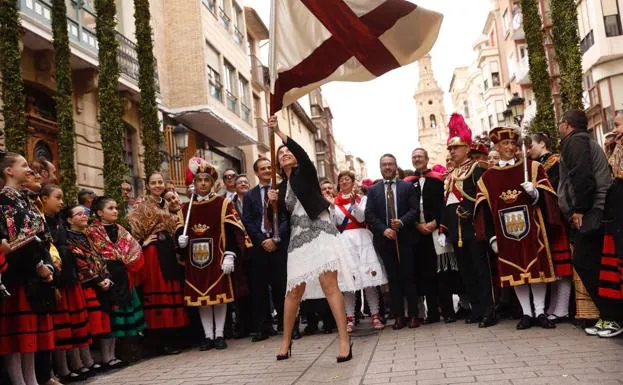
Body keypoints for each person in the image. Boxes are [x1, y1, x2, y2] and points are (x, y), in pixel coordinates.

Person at [270, 116, 355, 363]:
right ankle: (286, 342)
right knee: (292, 292)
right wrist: (271, 203)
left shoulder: (305, 172)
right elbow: (277, 220)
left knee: (330, 286)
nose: (285, 154)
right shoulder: (280, 186)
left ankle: (344, 341)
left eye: (288, 151)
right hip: (297, 241)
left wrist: (279, 133)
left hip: (320, 233)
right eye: (281, 153)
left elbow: (303, 153)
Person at [475, 127, 567, 330]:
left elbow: (549, 199)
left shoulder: (533, 168)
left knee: (537, 270)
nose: (509, 147)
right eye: (504, 144)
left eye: (512, 144)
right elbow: (484, 211)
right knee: (515, 273)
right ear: (497, 147)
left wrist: (535, 194)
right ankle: (526, 313)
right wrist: (491, 238)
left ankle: (540, 311)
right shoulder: (487, 178)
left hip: (533, 228)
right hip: (505, 234)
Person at [558, 109, 621, 337]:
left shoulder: (576, 141)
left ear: (567, 125)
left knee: (586, 261)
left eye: (560, 123)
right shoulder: (580, 141)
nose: (559, 127)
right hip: (594, 208)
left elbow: (582, 177)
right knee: (591, 262)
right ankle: (609, 315)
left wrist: (579, 209)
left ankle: (613, 316)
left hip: (593, 209)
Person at [177, 157, 246, 351]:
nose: (203, 183)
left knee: (219, 297)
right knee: (203, 301)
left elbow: (233, 231)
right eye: (199, 180)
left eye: (206, 180)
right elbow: (179, 232)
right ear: (194, 183)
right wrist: (180, 241)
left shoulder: (223, 204)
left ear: (213, 183)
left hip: (217, 256)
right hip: (195, 260)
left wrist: (230, 254)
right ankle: (208, 336)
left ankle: (220, 335)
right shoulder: (185, 208)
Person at [0, 153, 56, 385]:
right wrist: (37, 263)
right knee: (16, 334)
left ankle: (32, 379)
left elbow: (39, 236)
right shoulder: (5, 200)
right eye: (23, 165)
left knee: (29, 335)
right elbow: (12, 238)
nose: (28, 169)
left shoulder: (24, 198)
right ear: (8, 171)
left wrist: (46, 263)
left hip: (31, 270)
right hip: (16, 272)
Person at [438, 113, 496, 328]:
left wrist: (470, 210)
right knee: (466, 272)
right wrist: (444, 228)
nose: (451, 151)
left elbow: (484, 196)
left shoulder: (477, 168)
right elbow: (446, 202)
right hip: (456, 229)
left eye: (455, 148)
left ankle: (489, 311)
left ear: (466, 148)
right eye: (450, 149)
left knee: (481, 270)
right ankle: (476, 309)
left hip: (473, 227)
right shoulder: (451, 173)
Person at [128, 173, 189, 355]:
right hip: (154, 252)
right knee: (159, 291)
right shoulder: (141, 204)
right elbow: (134, 226)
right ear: (148, 185)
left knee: (172, 288)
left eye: (160, 182)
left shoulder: (167, 203)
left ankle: (175, 337)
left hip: (169, 250)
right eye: (153, 182)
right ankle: (159, 341)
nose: (157, 185)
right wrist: (143, 242)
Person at [86, 197, 145, 368]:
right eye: (110, 208)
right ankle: (108, 356)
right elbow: (91, 255)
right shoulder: (92, 232)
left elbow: (133, 248)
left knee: (126, 316)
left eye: (116, 208)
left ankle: (127, 352)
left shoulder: (121, 229)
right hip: (106, 277)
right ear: (99, 212)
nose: (115, 211)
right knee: (110, 318)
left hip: (123, 276)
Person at [41, 185, 91, 383]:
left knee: (73, 323)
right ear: (44, 198)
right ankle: (61, 369)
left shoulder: (58, 221)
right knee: (60, 325)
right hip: (55, 276)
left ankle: (76, 363)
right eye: (57, 197)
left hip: (67, 274)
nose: (61, 202)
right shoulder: (43, 220)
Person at [365, 153, 420, 329]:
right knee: (393, 279)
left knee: (409, 277)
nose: (387, 167)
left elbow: (415, 210)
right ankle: (398, 316)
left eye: (390, 164)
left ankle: (413, 315)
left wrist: (402, 221)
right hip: (385, 240)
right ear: (380, 168)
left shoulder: (407, 187)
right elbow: (370, 214)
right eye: (384, 165)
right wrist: (384, 229)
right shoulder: (374, 190)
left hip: (406, 238)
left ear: (396, 166)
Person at [334, 170, 387, 332]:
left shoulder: (362, 199)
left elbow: (362, 218)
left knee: (368, 281)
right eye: (341, 180)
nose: (344, 182)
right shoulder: (333, 202)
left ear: (352, 182)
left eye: (347, 179)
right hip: (344, 241)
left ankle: (375, 315)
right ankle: (349, 319)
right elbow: (332, 222)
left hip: (362, 239)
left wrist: (354, 204)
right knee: (348, 283)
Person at [241, 158, 288, 342]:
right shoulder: (251, 195)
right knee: (260, 289)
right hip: (260, 247)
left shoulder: (281, 191)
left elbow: (286, 218)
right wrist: (262, 241)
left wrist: (276, 239)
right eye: (263, 168)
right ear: (256, 172)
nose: (267, 170)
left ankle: (286, 324)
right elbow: (248, 220)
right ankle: (264, 327)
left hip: (278, 244)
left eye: (269, 167)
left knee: (281, 286)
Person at [528, 133, 573, 322]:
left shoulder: (554, 162)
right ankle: (554, 307)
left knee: (561, 266)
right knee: (553, 266)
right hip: (544, 220)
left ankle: (562, 308)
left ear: (542, 143)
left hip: (557, 219)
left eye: (531, 145)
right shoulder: (536, 165)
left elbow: (557, 190)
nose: (528, 150)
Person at [412, 148, 457, 324]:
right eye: (414, 157)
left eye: (420, 156)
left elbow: (444, 204)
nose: (417, 159)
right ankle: (432, 313)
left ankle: (448, 312)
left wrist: (436, 222)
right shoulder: (409, 183)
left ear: (427, 158)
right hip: (419, 232)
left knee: (442, 272)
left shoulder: (438, 180)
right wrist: (416, 225)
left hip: (436, 230)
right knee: (426, 273)